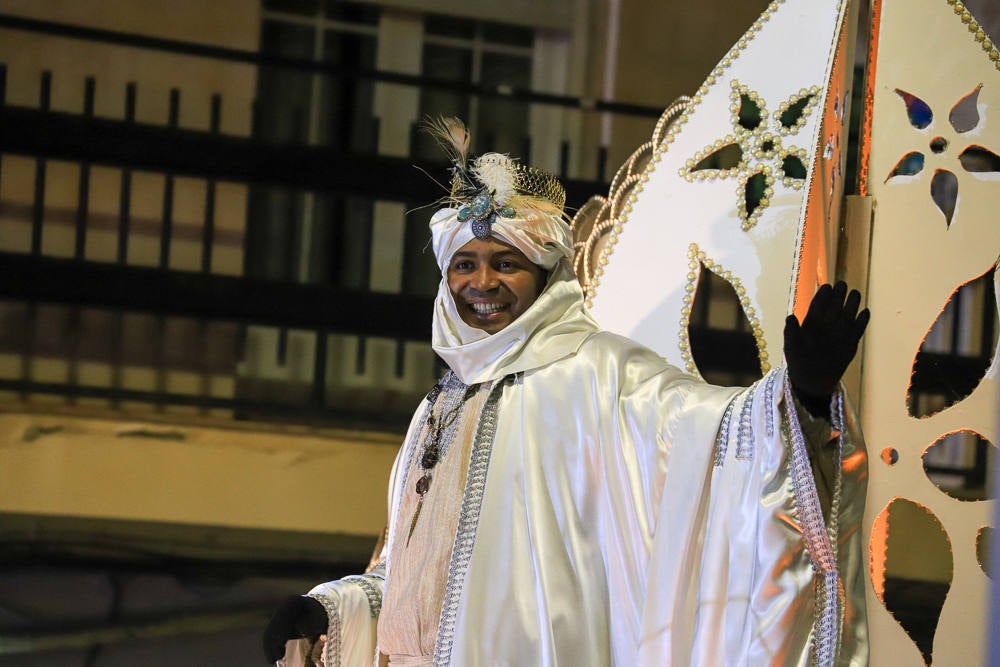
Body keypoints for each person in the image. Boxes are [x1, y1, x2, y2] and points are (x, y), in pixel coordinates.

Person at [262, 119, 870, 667]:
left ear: (545, 272)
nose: (483, 283)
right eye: (466, 264)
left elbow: (716, 442)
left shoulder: (598, 372)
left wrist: (802, 396)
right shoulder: (438, 407)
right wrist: (331, 610)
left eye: (506, 263)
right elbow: (408, 583)